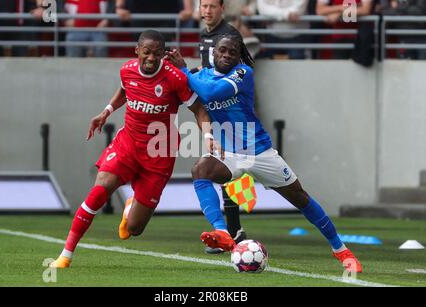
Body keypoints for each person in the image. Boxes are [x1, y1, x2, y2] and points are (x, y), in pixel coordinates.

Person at [166, 34, 363, 273]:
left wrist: (185, 71)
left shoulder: (242, 74)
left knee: (301, 198)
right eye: (223, 50)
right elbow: (192, 99)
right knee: (200, 170)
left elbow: (211, 94)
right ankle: (221, 231)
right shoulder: (201, 76)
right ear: (214, 53)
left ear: (240, 56)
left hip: (258, 151)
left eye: (233, 52)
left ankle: (341, 250)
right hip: (228, 153)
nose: (227, 55)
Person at [49, 30, 214, 268]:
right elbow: (125, 91)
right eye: (146, 52)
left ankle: (130, 209)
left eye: (157, 54)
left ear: (163, 54)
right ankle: (66, 255)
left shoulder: (174, 78)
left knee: (135, 229)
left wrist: (208, 136)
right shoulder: (126, 69)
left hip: (160, 151)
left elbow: (199, 109)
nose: (150, 58)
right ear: (137, 50)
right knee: (100, 189)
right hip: (128, 143)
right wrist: (106, 111)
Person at [193, 0, 256, 255]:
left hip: (231, 112)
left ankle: (231, 230)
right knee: (221, 170)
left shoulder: (229, 35)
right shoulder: (205, 35)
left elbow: (243, 71)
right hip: (215, 110)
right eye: (203, 6)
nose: (207, 11)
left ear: (222, 8)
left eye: (212, 6)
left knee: (227, 169)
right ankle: (233, 230)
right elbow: (211, 71)